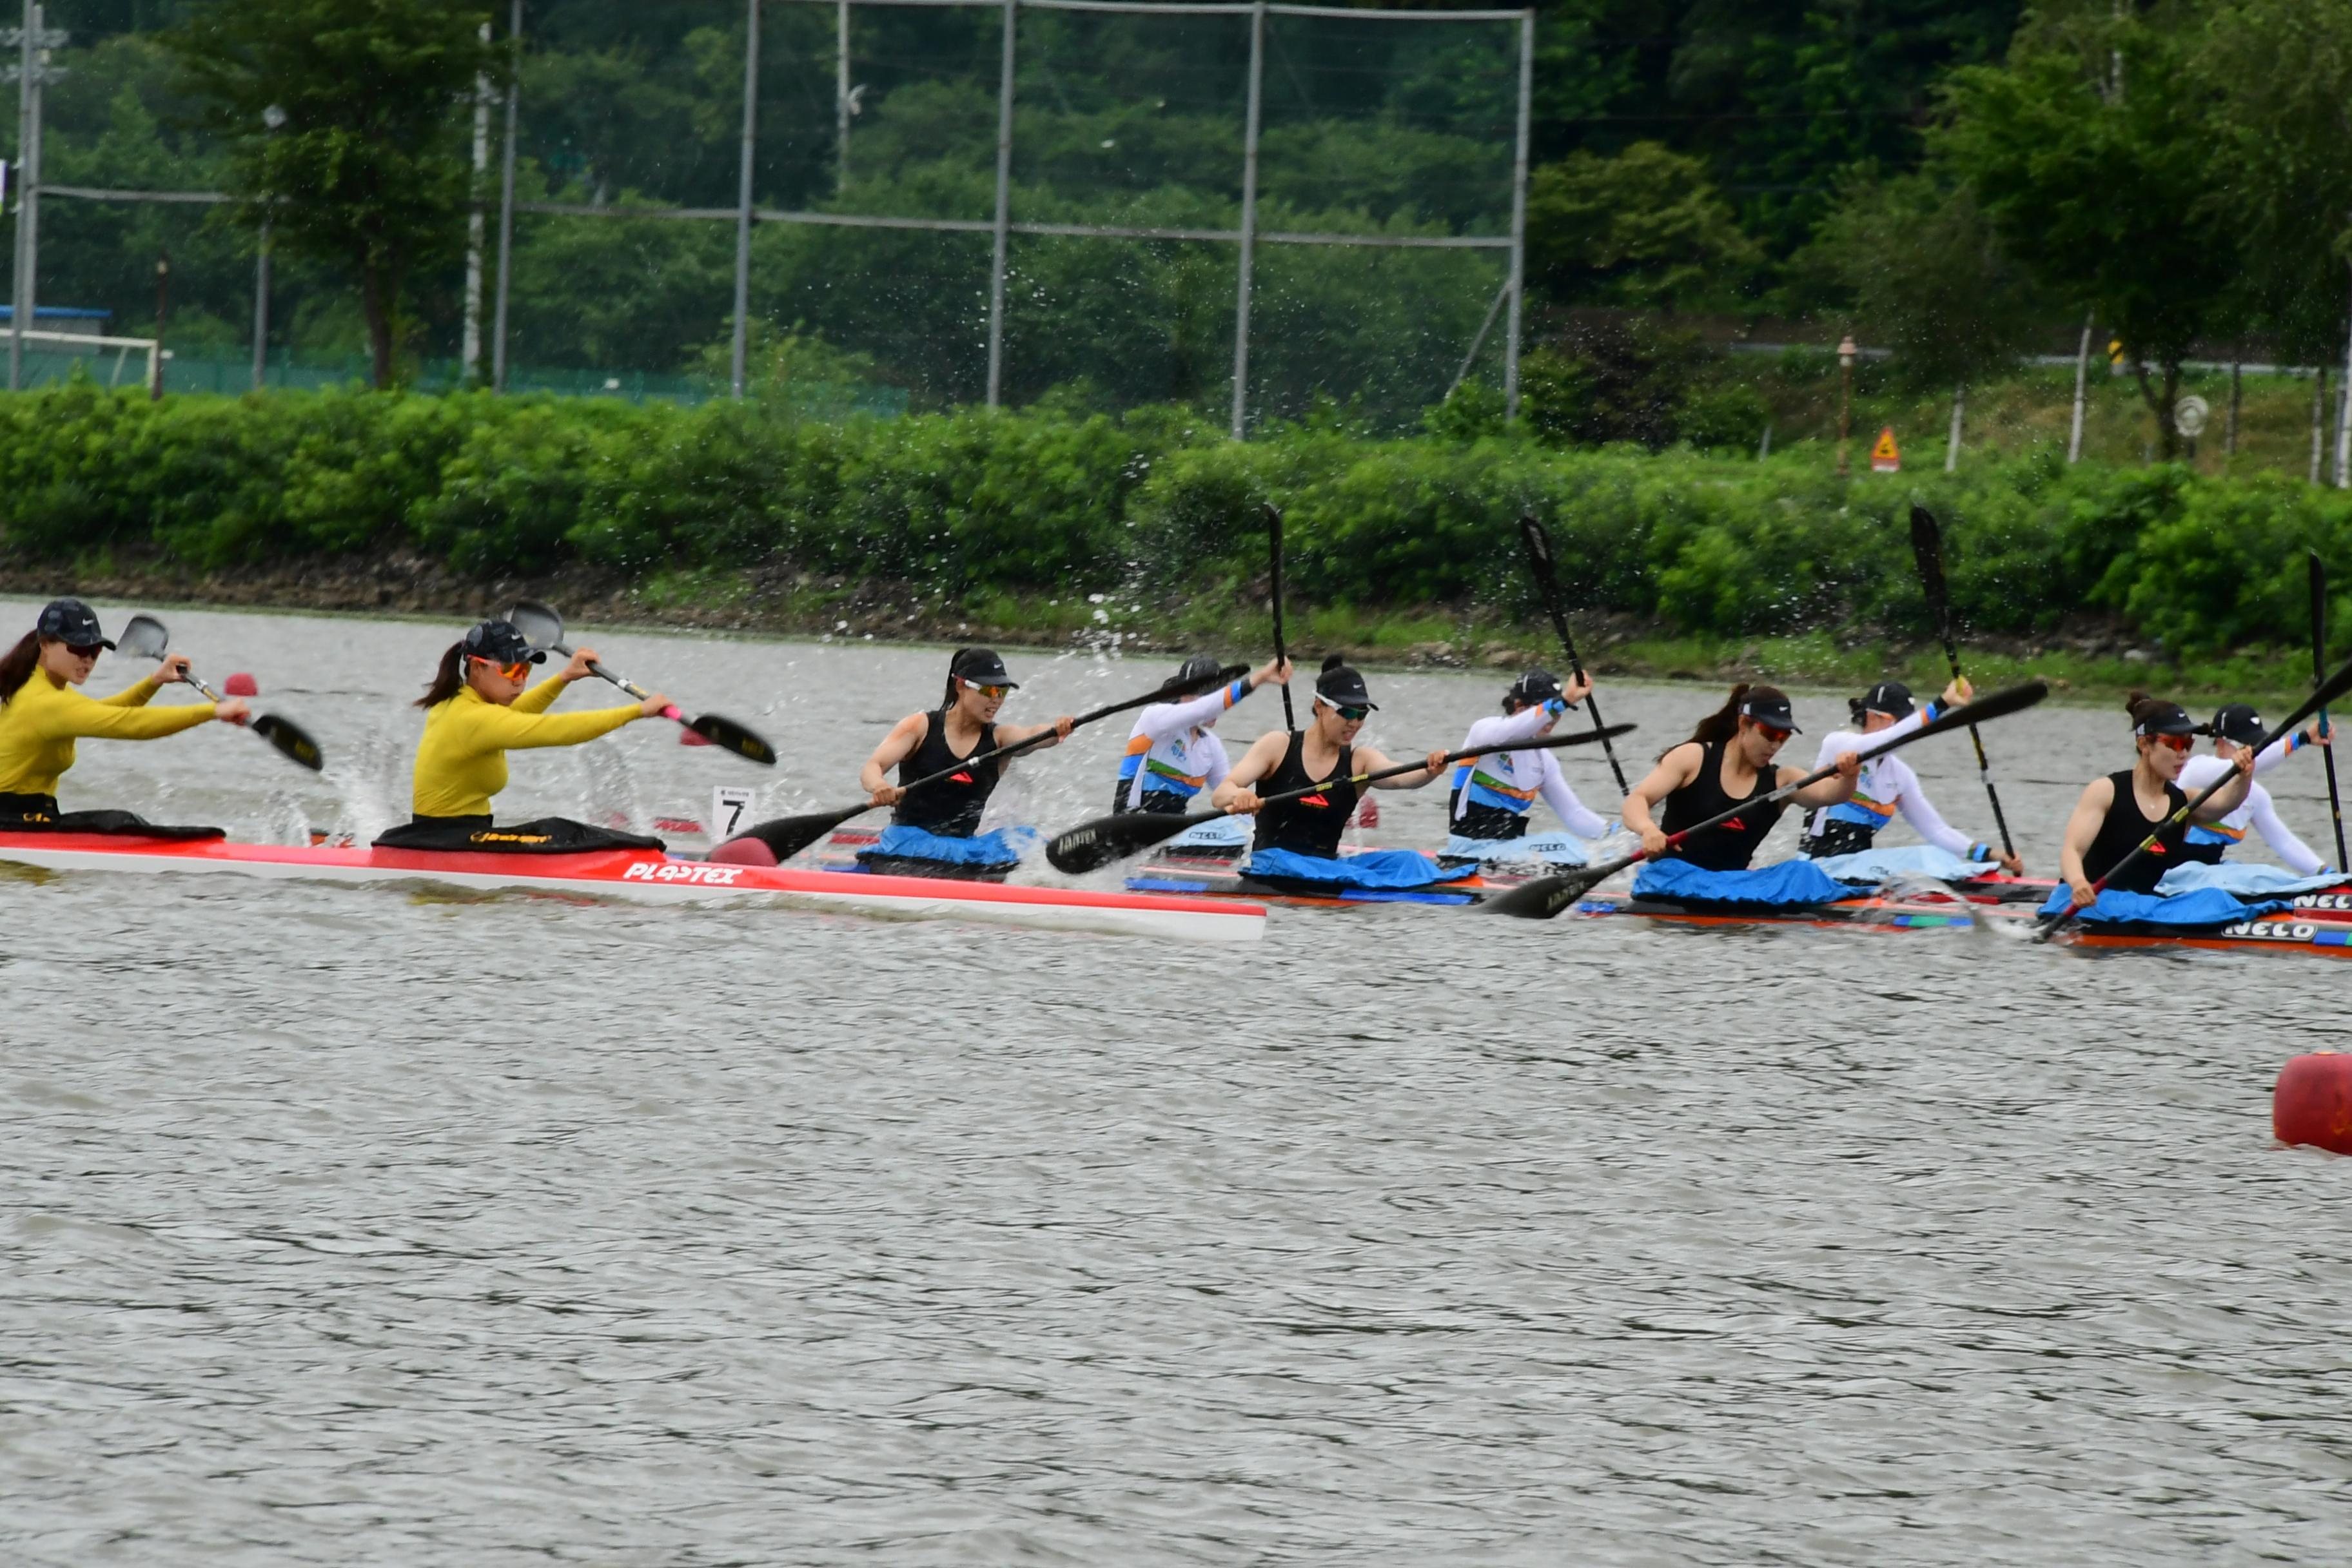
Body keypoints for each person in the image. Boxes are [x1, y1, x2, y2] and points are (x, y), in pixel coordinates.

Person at [373, 618, 667, 853]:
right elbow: (557, 731)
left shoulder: (460, 702)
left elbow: (519, 714)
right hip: (446, 841)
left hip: (449, 837)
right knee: (563, 831)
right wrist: (638, 711)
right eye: (512, 670)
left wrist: (565, 677)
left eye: (525, 670)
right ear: (477, 666)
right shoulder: (473, 718)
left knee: (560, 831)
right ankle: (647, 860)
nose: (521, 681)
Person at [0, 597, 249, 838]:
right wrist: (212, 712)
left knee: (123, 823)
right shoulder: (46, 702)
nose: (87, 660)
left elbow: (105, 713)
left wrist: (154, 681)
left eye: (94, 651)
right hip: (11, 820)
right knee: (122, 823)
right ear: (45, 644)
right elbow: (128, 724)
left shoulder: (43, 689)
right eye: (77, 648)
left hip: (26, 819)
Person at [1211, 654, 1458, 892]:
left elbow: (1401, 778)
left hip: (1328, 867)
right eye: (1347, 712)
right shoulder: (1277, 745)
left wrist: (1431, 770)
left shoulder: (1360, 760)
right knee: (1309, 866)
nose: (1355, 722)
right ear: (1320, 706)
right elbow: (1222, 793)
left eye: (1362, 714)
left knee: (1409, 860)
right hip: (1275, 864)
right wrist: (1239, 796)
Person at [856, 647, 1074, 877]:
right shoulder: (920, 726)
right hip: (910, 842)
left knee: (1029, 840)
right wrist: (880, 787)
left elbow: (1034, 735)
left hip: (965, 847)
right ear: (960, 685)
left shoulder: (1001, 739)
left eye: (1002, 692)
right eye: (989, 690)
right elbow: (872, 767)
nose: (996, 700)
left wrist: (1056, 730)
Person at [1622, 685, 1862, 874]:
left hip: (1733, 885)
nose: (1776, 745)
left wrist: (1850, 775)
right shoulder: (1692, 758)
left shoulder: (1782, 780)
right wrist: (1648, 830)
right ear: (1744, 724)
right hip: (1673, 878)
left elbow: (1829, 794)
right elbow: (1638, 800)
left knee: (1803, 873)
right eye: (1770, 734)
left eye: (1784, 737)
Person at [1798, 678, 2023, 873]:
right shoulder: (1839, 745)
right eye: (1904, 725)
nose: (1910, 734)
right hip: (1813, 869)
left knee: (1936, 856)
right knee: (1923, 858)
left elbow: (1936, 830)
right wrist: (1942, 704)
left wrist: (1991, 855)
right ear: (1874, 717)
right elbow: (1889, 740)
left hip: (1858, 872)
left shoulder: (1901, 776)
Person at [2055, 692, 2254, 907]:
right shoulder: (2106, 791)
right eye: (2175, 743)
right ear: (2144, 744)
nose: (2183, 754)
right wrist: (2078, 883)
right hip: (2089, 905)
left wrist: (2244, 774)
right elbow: (2072, 850)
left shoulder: (2185, 802)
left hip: (2141, 908)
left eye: (2188, 744)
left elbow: (2227, 802)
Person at [1441, 667, 1612, 865]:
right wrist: (1564, 700)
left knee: (1590, 849)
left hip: (1506, 849)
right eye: (1547, 708)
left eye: (1559, 712)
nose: (1554, 718)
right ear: (1519, 706)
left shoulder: (1544, 760)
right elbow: (1511, 730)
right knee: (1562, 844)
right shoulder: (1485, 731)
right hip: (1468, 850)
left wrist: (1618, 837)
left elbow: (1574, 814)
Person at [1112, 654, 1290, 815]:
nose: (1215, 707)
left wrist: (1239, 796)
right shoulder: (1155, 719)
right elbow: (1202, 709)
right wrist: (1260, 678)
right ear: (1183, 694)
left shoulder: (1211, 746)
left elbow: (1222, 795)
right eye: (1209, 696)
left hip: (1169, 832)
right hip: (1129, 817)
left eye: (1217, 695)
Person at [2175, 702, 2333, 874]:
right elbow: (2247, 765)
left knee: (2269, 875)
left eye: (2258, 746)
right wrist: (2303, 738)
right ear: (2221, 745)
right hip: (2169, 875)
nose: (2252, 754)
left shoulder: (2256, 796)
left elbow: (2284, 842)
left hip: (2205, 876)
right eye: (2245, 748)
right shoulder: (2197, 771)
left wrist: (2327, 874)